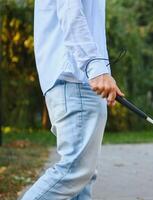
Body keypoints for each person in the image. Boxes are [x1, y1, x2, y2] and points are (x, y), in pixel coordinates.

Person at [21, 0, 124, 199]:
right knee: (75, 172)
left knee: (81, 180)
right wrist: (95, 68)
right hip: (76, 79)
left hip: (78, 81)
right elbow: (70, 11)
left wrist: (101, 72)